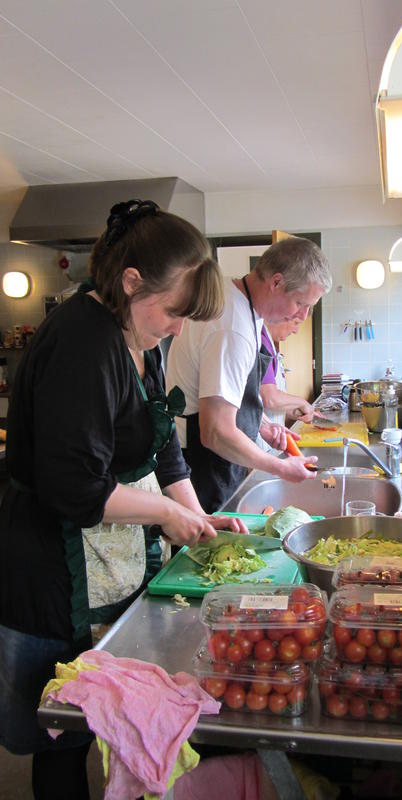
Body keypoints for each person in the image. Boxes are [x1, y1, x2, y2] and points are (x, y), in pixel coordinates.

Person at [0, 199, 246, 800]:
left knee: (95, 715)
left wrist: (193, 511)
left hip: (104, 560)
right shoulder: (84, 342)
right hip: (53, 573)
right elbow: (73, 487)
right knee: (62, 731)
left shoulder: (138, 335)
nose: (176, 327)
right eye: (173, 311)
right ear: (131, 282)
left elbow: (162, 449)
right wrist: (167, 515)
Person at [165, 236, 332, 513]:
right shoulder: (232, 327)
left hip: (219, 459)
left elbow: (233, 391)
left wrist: (262, 424)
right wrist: (280, 467)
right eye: (300, 303)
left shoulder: (241, 303)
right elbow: (215, 431)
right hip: (202, 466)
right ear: (276, 282)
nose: (303, 317)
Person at [259, 320, 315, 427]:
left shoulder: (271, 347)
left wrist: (300, 413)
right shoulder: (262, 344)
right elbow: (270, 399)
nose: (296, 330)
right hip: (261, 436)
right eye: (296, 322)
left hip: (272, 433)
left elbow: (274, 406)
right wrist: (302, 403)